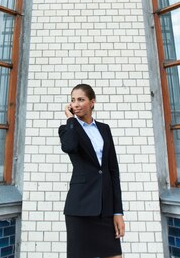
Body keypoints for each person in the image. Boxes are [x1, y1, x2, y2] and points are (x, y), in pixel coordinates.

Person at [58, 84, 125, 258]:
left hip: (105, 208)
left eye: (81, 99)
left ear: (92, 102)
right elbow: (69, 147)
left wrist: (118, 212)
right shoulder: (67, 128)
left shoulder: (104, 129)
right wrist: (70, 119)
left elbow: (113, 170)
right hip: (80, 208)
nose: (76, 104)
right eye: (73, 100)